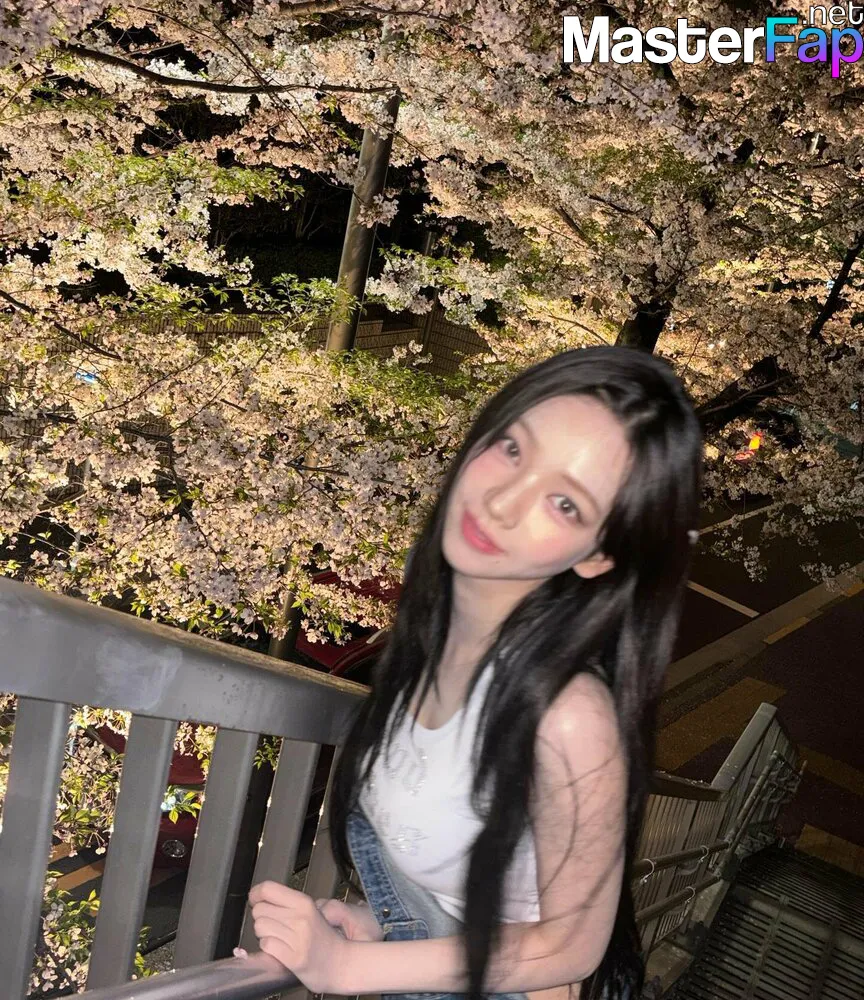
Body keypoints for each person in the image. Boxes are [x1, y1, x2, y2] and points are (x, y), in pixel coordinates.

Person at [248, 345, 703, 1000]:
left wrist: (348, 968)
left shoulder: (570, 717)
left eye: (564, 503)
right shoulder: (440, 623)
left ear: (600, 555)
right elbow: (471, 869)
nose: (503, 502)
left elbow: (571, 947)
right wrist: (389, 921)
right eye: (513, 449)